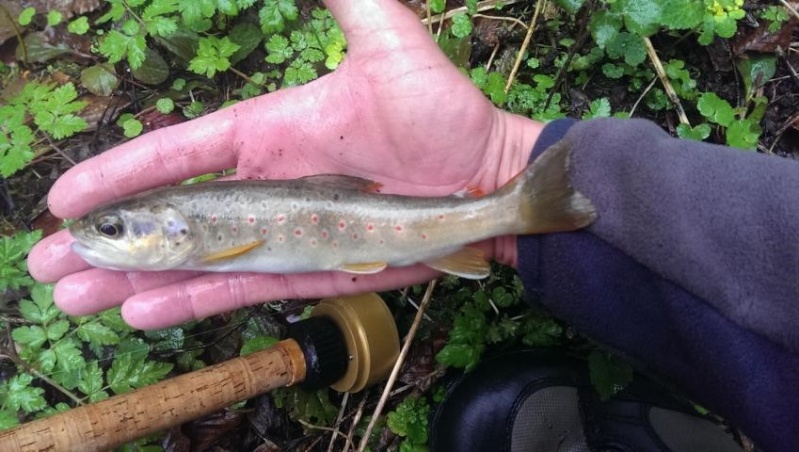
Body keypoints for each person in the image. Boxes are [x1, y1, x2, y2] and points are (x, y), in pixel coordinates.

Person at [27, 0, 798, 450]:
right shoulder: (202, 236)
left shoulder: (209, 233)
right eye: (120, 233)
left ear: (169, 224)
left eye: (121, 230)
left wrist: (505, 171)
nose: (110, 239)